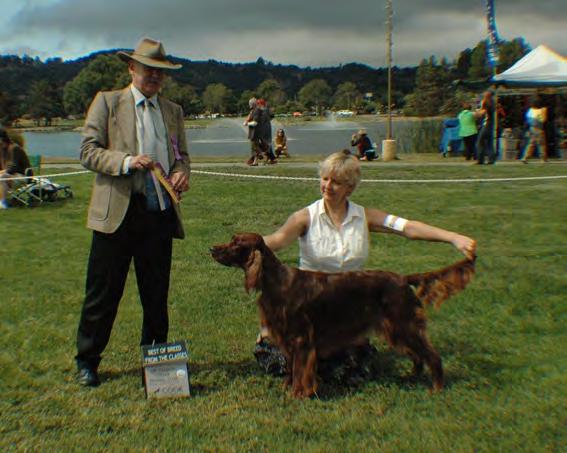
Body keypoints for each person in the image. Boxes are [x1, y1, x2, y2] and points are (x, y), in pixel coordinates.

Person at [254, 149, 476, 382]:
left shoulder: (365, 216)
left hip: (349, 306)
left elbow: (408, 228)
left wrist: (452, 237)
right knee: (285, 363)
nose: (327, 186)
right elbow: (277, 240)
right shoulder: (304, 217)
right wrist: (249, 246)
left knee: (349, 372)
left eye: (336, 182)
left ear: (350, 187)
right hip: (310, 306)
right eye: (325, 178)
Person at [74, 38, 191, 387]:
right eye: (148, 69)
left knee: (156, 295)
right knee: (103, 293)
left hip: (159, 215)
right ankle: (87, 360)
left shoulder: (173, 111)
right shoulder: (107, 103)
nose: (154, 76)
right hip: (116, 216)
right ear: (132, 68)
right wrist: (126, 161)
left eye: (160, 72)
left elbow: (181, 155)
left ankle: (156, 363)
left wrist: (183, 171)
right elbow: (88, 151)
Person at [0, 128, 32, 209]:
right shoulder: (1, 150)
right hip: (9, 176)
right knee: (2, 177)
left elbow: (14, 167)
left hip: (23, 176)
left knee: (2, 177)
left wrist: (2, 172)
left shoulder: (14, 148)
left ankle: (3, 203)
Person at [244, 98, 276, 165]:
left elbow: (256, 121)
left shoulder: (261, 110)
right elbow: (272, 116)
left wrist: (248, 122)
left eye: (259, 104)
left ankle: (259, 157)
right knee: (262, 144)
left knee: (260, 144)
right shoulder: (263, 110)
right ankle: (266, 158)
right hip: (264, 128)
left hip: (262, 129)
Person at [521, 97, 548, 163]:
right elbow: (543, 120)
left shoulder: (530, 110)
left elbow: (527, 121)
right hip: (539, 129)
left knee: (531, 144)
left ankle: (525, 157)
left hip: (531, 128)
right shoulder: (541, 110)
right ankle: (543, 158)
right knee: (541, 144)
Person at [475, 91, 496, 165]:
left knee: (480, 142)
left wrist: (476, 113)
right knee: (489, 143)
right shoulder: (492, 103)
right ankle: (491, 159)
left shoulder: (486, 102)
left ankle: (480, 160)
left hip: (486, 124)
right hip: (491, 125)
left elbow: (482, 113)